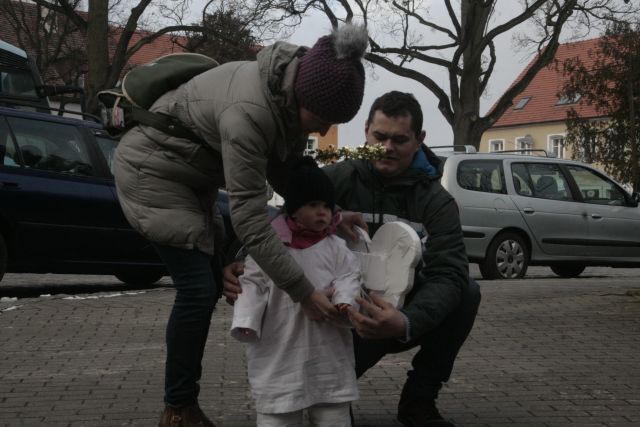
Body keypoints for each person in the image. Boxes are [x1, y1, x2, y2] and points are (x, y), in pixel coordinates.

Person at [112, 24, 368, 427]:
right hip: (153, 175)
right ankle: (179, 410)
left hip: (191, 176)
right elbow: (250, 219)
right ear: (302, 95)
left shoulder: (286, 98)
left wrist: (335, 217)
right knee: (199, 290)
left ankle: (182, 403)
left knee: (219, 278)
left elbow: (290, 183)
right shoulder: (250, 112)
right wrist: (302, 292)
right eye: (320, 119)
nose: (320, 131)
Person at [224, 91, 482, 427]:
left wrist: (405, 322)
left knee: (466, 292)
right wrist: (240, 260)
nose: (387, 147)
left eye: (400, 139)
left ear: (419, 140)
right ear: (366, 132)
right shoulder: (333, 181)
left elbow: (448, 274)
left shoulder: (437, 201)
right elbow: (281, 224)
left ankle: (419, 400)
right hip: (335, 318)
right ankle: (323, 398)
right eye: (380, 136)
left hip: (397, 315)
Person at [230, 157, 361, 427]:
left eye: (326, 206)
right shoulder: (270, 248)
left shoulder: (337, 248)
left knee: (332, 412)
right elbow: (252, 283)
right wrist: (246, 320)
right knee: (279, 413)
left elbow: (349, 277)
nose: (322, 212)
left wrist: (344, 301)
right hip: (280, 344)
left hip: (327, 348)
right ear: (293, 209)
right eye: (313, 205)